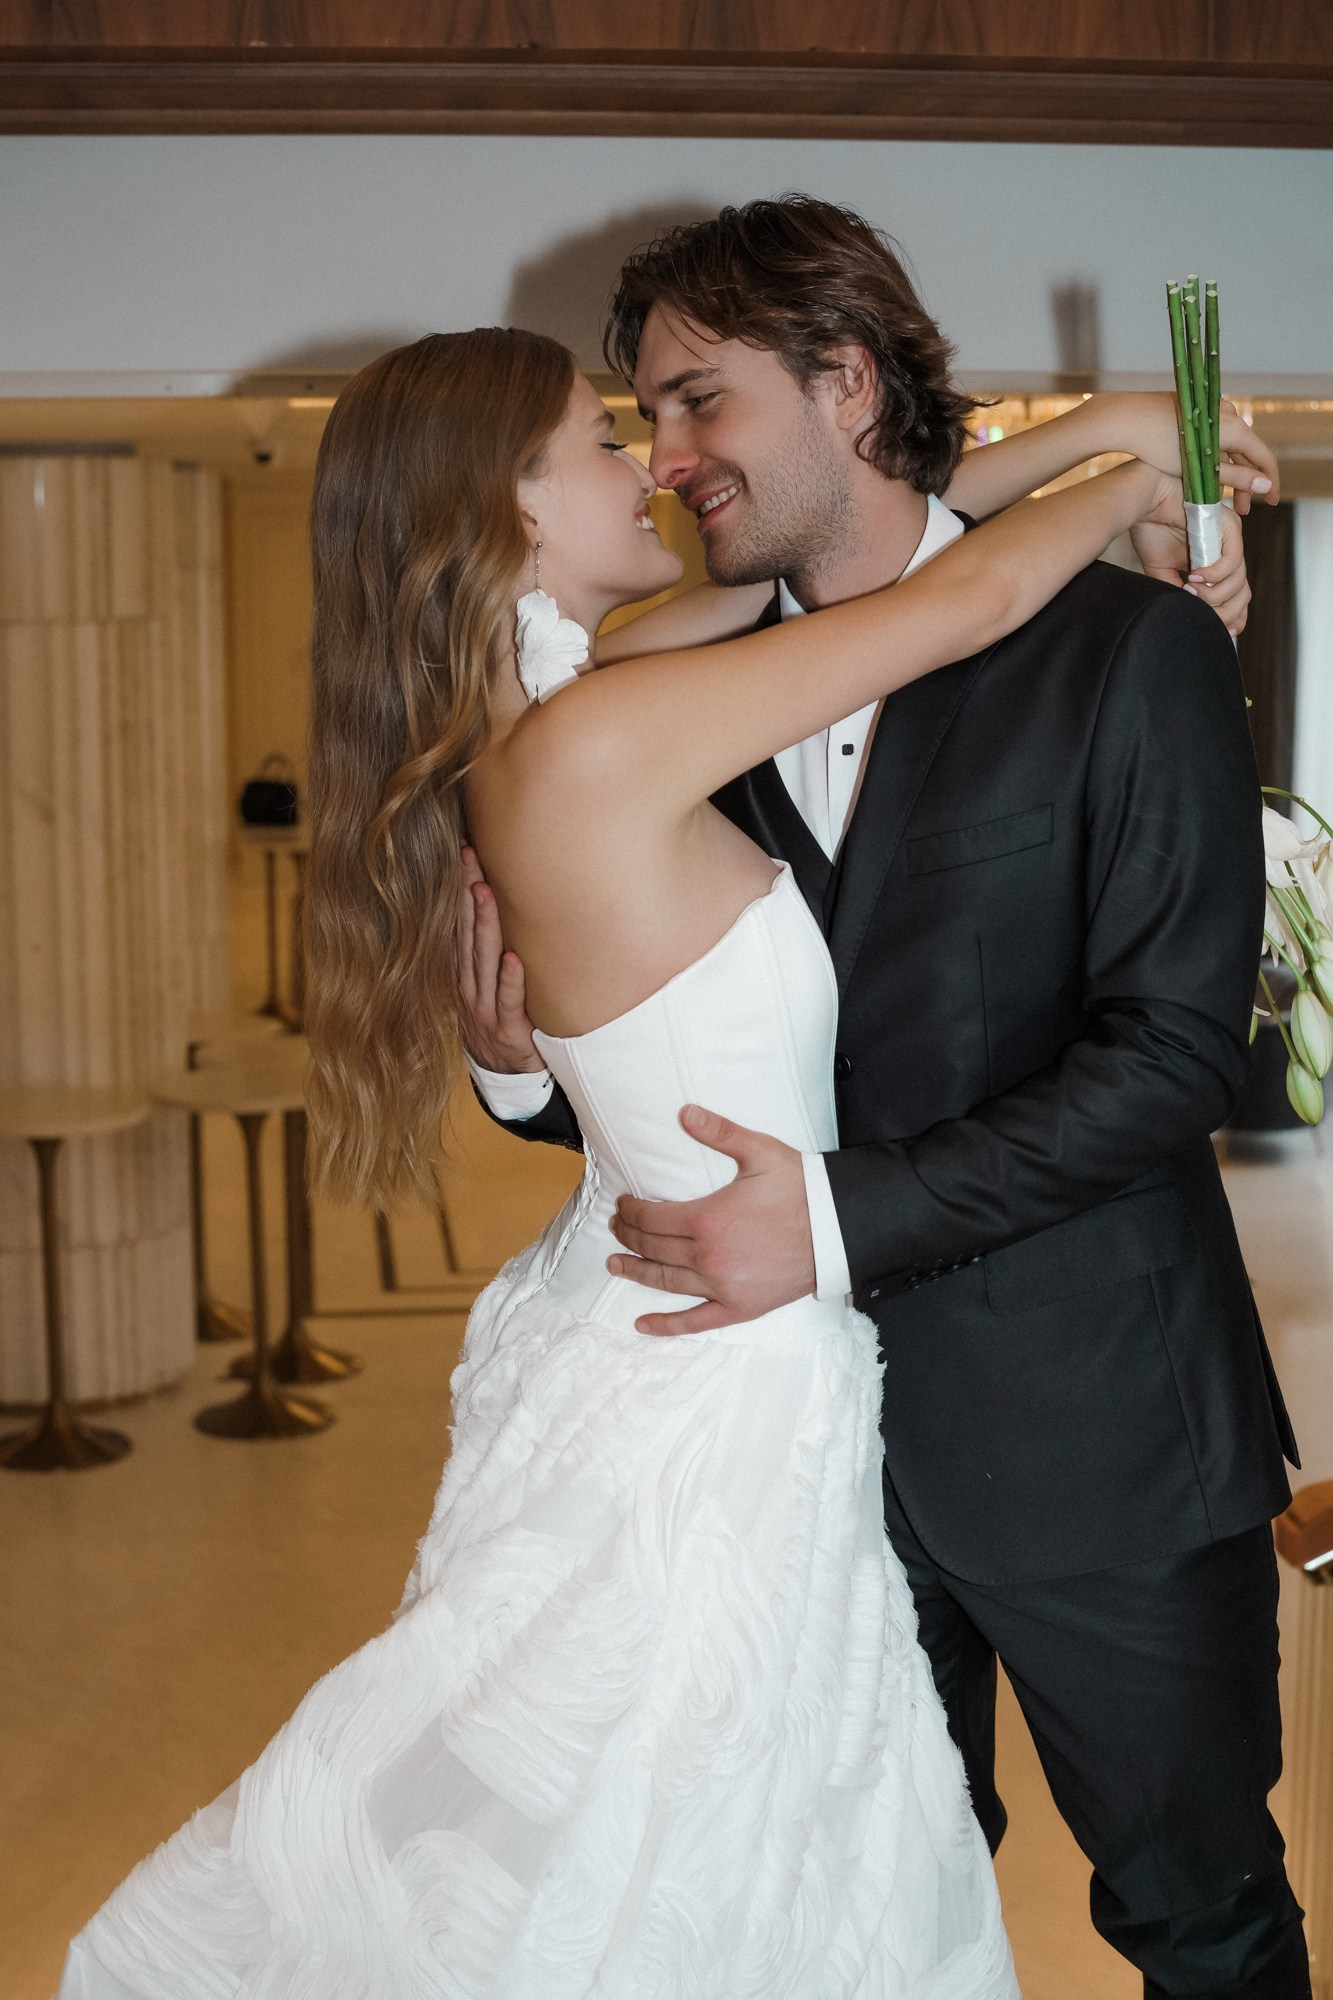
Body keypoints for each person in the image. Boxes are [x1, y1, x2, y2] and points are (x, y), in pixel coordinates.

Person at [61, 313, 1255, 1997]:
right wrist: (1136, 481)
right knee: (718, 1883)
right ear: (512, 505)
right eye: (602, 439)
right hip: (716, 1370)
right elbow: (962, 603)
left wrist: (1110, 428)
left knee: (763, 1869)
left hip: (733, 1344)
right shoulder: (607, 736)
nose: (652, 466)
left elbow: (876, 551)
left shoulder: (592, 693)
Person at [463, 199, 1310, 2000]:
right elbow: (653, 1068)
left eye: (698, 402)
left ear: (845, 383)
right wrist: (517, 1061)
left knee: (1202, 1921)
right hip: (797, 1467)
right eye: (642, 421)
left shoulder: (1128, 648)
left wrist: (840, 1219)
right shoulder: (672, 693)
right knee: (853, 1930)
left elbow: (1170, 1059)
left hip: (1098, 1437)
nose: (666, 457)